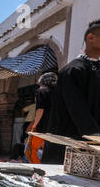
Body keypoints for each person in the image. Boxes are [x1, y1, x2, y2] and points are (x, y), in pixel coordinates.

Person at [42, 19, 100, 164]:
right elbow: (79, 112)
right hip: (67, 151)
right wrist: (96, 138)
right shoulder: (72, 71)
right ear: (91, 38)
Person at [25, 72, 58, 164]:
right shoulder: (58, 93)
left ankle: (38, 169)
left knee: (30, 151)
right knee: (47, 151)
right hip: (55, 127)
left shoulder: (42, 91)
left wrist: (34, 125)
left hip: (42, 127)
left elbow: (40, 110)